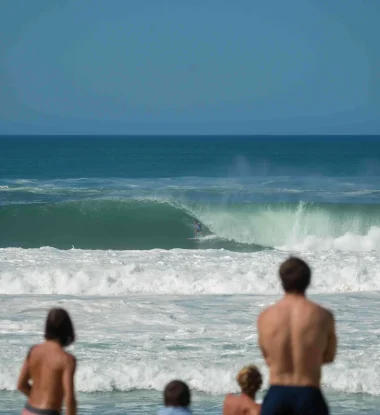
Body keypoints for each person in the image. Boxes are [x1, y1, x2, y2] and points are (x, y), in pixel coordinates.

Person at [257, 257, 337, 415]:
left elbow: (268, 358)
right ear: (308, 280)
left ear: (281, 280)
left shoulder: (265, 317)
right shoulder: (323, 316)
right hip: (309, 395)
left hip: (277, 395)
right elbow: (329, 357)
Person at [17, 308, 77, 415]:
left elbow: (21, 385)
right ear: (68, 330)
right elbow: (69, 399)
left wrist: (38, 398)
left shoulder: (34, 351)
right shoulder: (67, 359)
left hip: (28, 410)